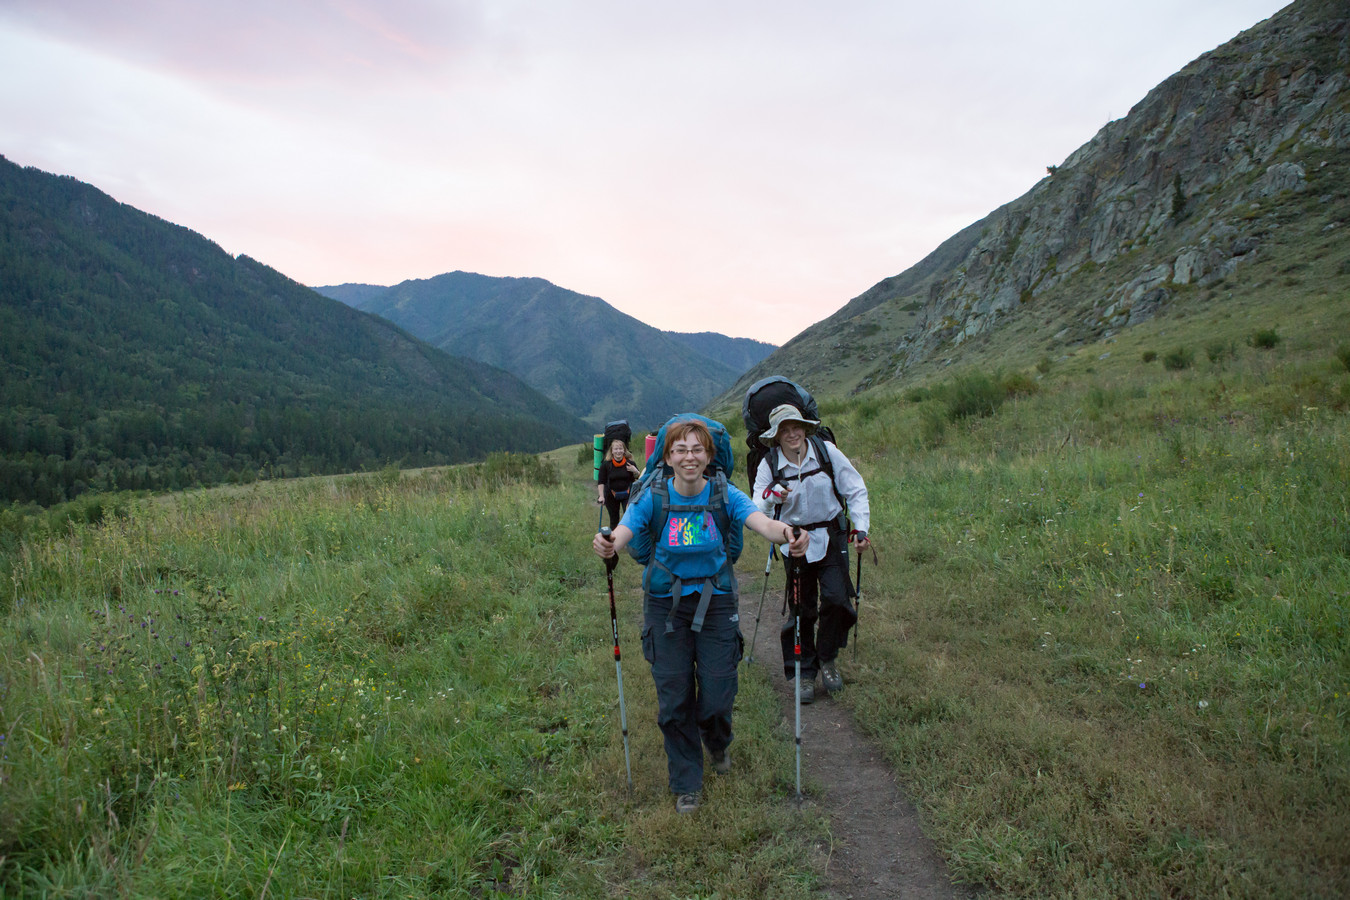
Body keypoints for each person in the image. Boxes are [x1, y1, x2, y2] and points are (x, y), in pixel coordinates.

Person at [593, 418, 807, 814]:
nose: (689, 457)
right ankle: (686, 781)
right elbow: (623, 532)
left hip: (717, 601)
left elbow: (763, 524)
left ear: (709, 456)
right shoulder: (652, 496)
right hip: (664, 604)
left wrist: (791, 533)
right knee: (674, 699)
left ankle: (717, 740)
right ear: (668, 457)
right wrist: (608, 545)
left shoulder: (724, 492)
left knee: (718, 693)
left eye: (697, 450)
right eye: (680, 450)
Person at [752, 404, 870, 702]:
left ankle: (827, 659)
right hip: (794, 542)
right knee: (802, 608)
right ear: (775, 437)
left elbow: (855, 489)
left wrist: (861, 528)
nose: (792, 434)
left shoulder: (826, 452)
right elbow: (757, 510)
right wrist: (772, 497)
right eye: (784, 430)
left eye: (796, 427)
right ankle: (805, 672)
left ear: (805, 428)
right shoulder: (769, 464)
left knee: (837, 600)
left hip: (831, 536)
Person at [596, 437, 640, 529]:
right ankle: (614, 541)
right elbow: (601, 481)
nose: (618, 451)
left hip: (628, 494)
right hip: (611, 495)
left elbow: (638, 478)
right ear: (611, 451)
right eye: (616, 449)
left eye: (620, 449)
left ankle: (628, 540)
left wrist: (635, 470)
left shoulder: (630, 464)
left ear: (624, 450)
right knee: (614, 520)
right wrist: (601, 496)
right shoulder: (606, 465)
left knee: (628, 518)